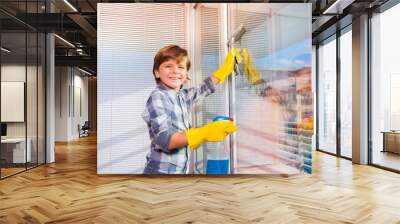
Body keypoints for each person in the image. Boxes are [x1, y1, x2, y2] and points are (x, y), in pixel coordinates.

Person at [142, 45, 239, 174]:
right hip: (159, 175)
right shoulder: (158, 97)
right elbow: (165, 140)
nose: (175, 71)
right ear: (157, 72)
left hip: (178, 173)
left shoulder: (182, 96)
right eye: (168, 66)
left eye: (181, 67)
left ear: (186, 74)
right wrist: (204, 132)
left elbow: (203, 88)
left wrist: (225, 69)